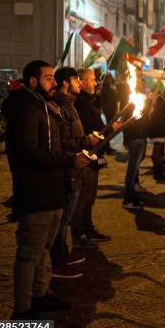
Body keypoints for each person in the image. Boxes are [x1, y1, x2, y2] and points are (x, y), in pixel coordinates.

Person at [4, 60, 90, 319]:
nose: (54, 83)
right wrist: (68, 160)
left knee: (44, 249)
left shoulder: (45, 106)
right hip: (35, 192)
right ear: (33, 81)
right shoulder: (26, 110)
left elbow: (56, 145)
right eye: (48, 78)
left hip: (52, 190)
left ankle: (40, 295)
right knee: (30, 253)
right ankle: (22, 310)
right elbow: (29, 153)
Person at [50, 67, 100, 279]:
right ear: (65, 83)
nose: (80, 83)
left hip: (75, 165)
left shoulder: (69, 103)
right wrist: (87, 141)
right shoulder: (62, 105)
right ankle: (58, 262)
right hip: (69, 167)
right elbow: (66, 140)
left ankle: (62, 254)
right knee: (63, 218)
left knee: (67, 214)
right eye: (76, 79)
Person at [73, 68, 115, 247]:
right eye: (92, 79)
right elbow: (94, 127)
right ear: (81, 81)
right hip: (86, 157)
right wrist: (111, 128)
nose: (96, 83)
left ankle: (87, 229)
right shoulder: (81, 103)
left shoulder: (88, 101)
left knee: (89, 198)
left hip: (94, 156)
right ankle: (79, 234)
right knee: (83, 198)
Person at [121, 70, 153, 209]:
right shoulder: (132, 98)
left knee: (134, 169)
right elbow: (137, 117)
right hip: (134, 137)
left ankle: (132, 193)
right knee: (132, 170)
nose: (142, 82)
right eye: (140, 80)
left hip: (139, 136)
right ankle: (128, 199)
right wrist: (150, 101)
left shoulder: (138, 97)